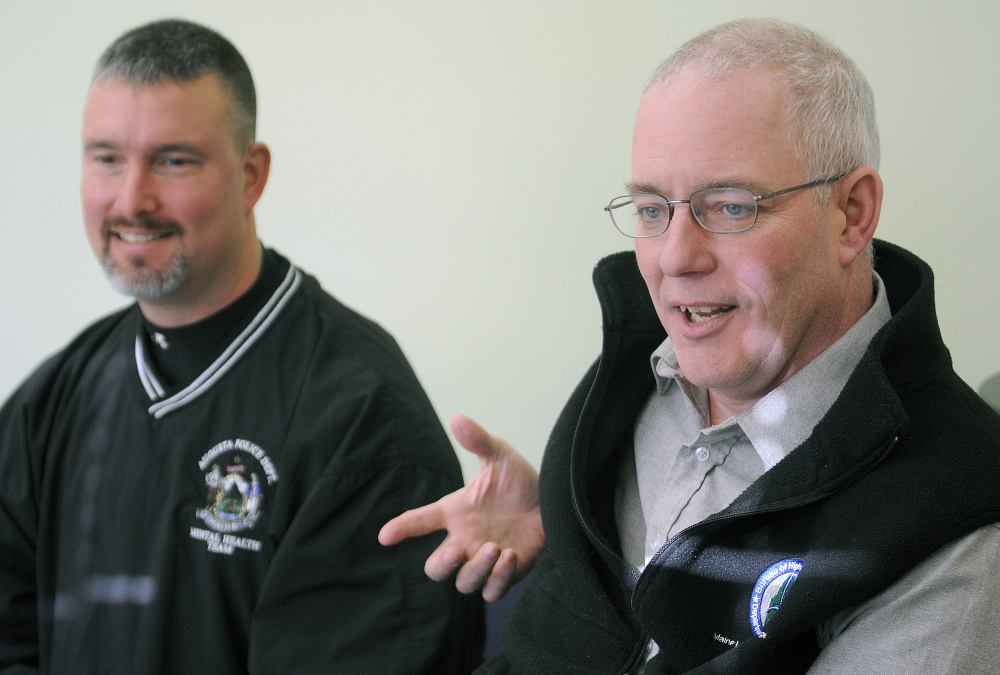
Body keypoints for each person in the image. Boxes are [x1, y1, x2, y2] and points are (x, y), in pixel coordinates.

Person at [380, 18, 1000, 674]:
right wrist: (573, 522)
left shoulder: (953, 538)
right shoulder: (645, 364)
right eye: (652, 210)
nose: (674, 257)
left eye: (730, 206)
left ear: (851, 214)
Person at [0, 19, 483, 674]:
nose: (131, 199)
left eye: (173, 160)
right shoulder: (50, 401)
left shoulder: (362, 418)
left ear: (251, 175)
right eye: (107, 157)